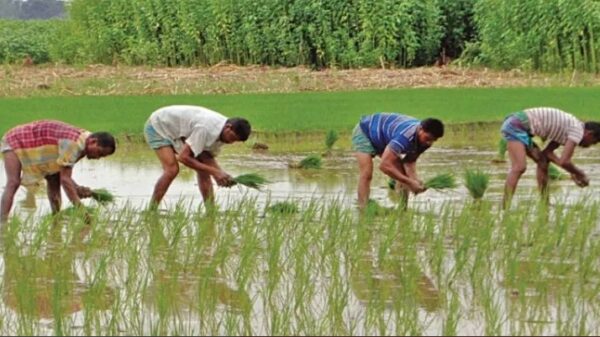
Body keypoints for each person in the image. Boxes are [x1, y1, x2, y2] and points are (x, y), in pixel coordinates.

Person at [1, 120, 116, 223]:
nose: (98, 157)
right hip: (16, 139)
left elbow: (63, 174)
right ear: (93, 141)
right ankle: (2, 223)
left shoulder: (85, 143)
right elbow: (66, 180)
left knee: (53, 179)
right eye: (99, 153)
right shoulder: (74, 144)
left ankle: (56, 220)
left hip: (43, 145)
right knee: (13, 182)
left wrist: (77, 188)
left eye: (102, 156)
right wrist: (81, 210)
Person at [144, 105, 251, 207]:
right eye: (232, 138)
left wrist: (221, 175)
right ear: (228, 127)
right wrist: (216, 172)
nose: (231, 142)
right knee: (172, 170)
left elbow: (207, 158)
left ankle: (210, 212)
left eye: (235, 141)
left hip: (179, 132)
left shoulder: (223, 133)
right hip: (158, 126)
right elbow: (183, 158)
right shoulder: (205, 129)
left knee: (204, 170)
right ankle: (152, 210)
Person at [501, 107, 600, 208]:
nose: (589, 145)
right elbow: (565, 162)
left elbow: (547, 153)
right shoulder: (577, 132)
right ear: (590, 134)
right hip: (516, 125)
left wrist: (572, 172)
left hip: (520, 126)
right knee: (519, 167)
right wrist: (580, 173)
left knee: (542, 161)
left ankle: (545, 204)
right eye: (593, 142)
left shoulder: (570, 129)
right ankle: (504, 208)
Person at [352, 113, 444, 209]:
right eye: (428, 138)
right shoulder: (404, 136)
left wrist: (414, 179)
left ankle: (402, 210)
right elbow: (384, 166)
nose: (429, 143)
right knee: (366, 174)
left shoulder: (425, 142)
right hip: (366, 132)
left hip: (384, 138)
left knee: (402, 174)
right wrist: (410, 182)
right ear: (420, 129)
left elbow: (409, 161)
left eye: (434, 140)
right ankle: (363, 208)